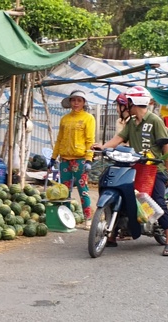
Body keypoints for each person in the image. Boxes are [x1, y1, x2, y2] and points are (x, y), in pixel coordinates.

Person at [92, 86, 168, 256]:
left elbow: (166, 145)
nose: (124, 106)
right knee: (123, 194)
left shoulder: (154, 121)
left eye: (127, 102)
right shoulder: (131, 123)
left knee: (158, 200)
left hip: (155, 169)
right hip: (136, 168)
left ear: (134, 102)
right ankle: (113, 234)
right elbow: (119, 138)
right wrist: (103, 146)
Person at [48, 90, 96, 230]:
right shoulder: (65, 119)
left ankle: (88, 218)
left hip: (80, 160)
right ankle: (66, 219)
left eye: (79, 100)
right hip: (64, 160)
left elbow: (90, 140)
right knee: (65, 191)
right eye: (73, 100)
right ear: (70, 102)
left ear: (84, 103)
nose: (76, 103)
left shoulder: (88, 118)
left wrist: (89, 159)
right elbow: (59, 140)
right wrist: (53, 158)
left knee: (83, 189)